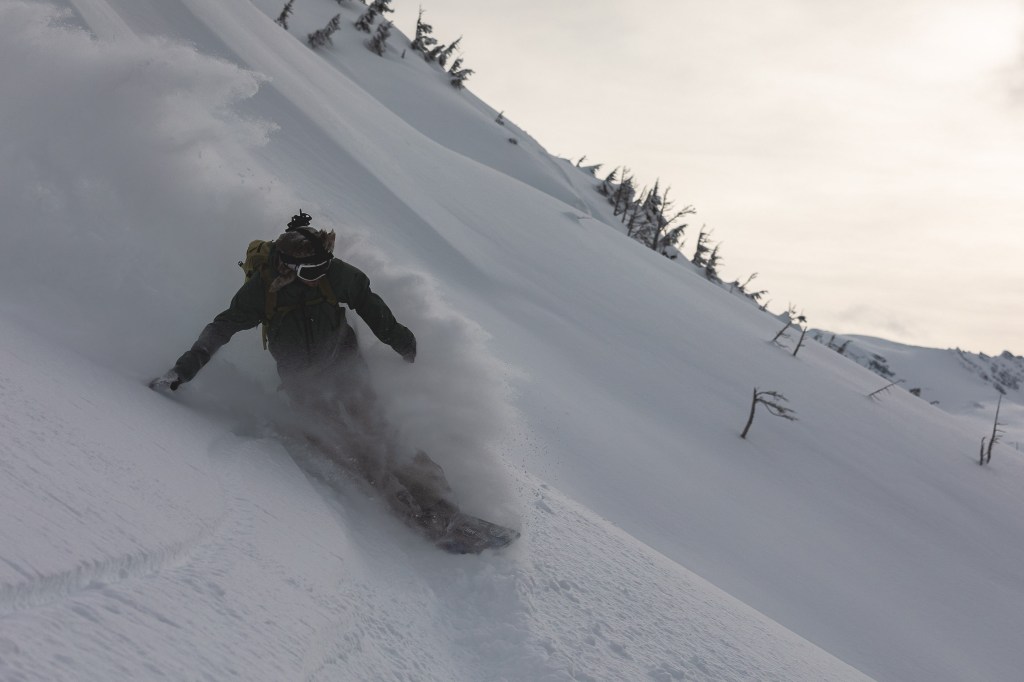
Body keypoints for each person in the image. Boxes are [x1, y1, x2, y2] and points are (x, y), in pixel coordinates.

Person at [150, 212, 458, 537]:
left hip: (345, 365)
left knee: (377, 428)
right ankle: (401, 502)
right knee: (347, 441)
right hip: (303, 382)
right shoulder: (262, 291)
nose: (320, 275)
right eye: (311, 271)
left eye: (324, 266)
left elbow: (370, 305)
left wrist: (403, 343)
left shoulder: (333, 275)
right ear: (289, 268)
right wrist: (183, 369)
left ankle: (439, 496)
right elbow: (221, 328)